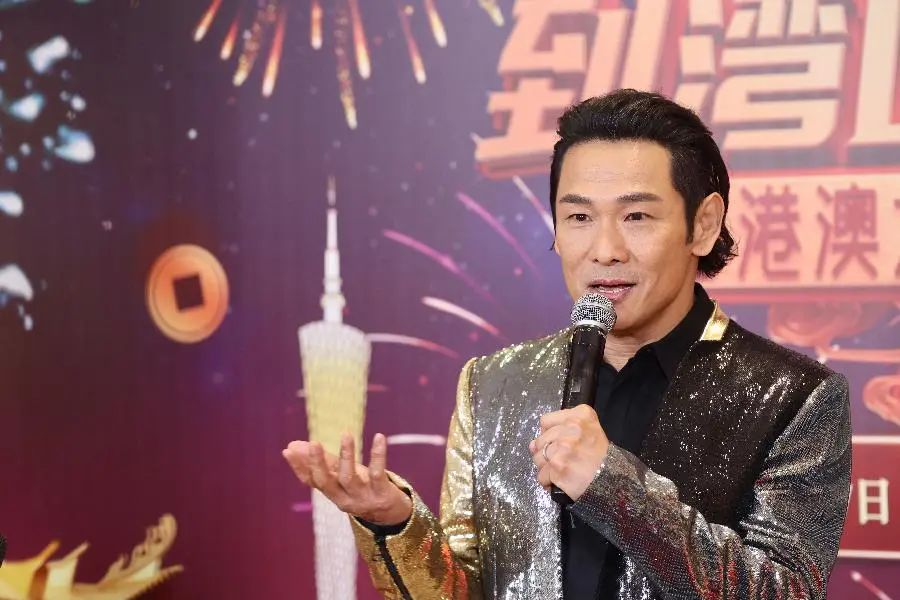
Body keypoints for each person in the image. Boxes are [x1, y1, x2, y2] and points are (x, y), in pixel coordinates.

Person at [282, 89, 852, 599]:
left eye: (636, 215)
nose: (604, 250)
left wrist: (611, 485)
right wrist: (393, 524)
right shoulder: (494, 383)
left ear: (703, 224)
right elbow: (464, 589)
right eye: (578, 216)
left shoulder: (793, 396)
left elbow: (786, 591)